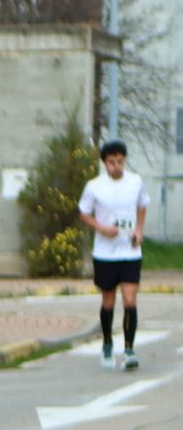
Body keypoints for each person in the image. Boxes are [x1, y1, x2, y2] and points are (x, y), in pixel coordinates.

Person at [78, 140, 149, 371]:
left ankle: (129, 349)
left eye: (119, 161)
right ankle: (108, 342)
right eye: (111, 162)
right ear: (104, 163)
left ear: (124, 161)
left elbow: (142, 205)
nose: (116, 166)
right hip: (105, 253)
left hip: (129, 251)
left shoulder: (135, 181)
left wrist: (139, 230)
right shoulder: (94, 186)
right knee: (108, 300)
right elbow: (84, 214)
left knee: (130, 299)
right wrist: (102, 228)